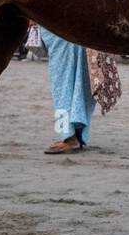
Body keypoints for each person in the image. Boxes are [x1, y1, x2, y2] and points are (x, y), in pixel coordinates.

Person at [40, 27, 122, 155]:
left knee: (62, 88)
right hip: (78, 32)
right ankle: (76, 133)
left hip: (65, 29)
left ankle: (68, 136)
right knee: (78, 83)